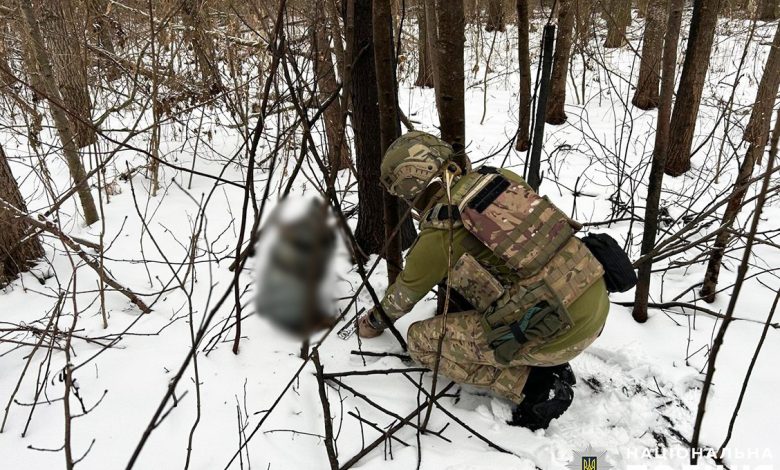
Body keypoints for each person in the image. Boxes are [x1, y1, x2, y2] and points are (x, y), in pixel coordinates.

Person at [357, 131, 610, 430]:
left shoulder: (443, 230)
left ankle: (536, 386)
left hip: (562, 333)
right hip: (592, 294)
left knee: (420, 341)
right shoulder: (498, 176)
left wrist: (373, 322)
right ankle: (545, 358)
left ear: (412, 188)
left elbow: (403, 296)